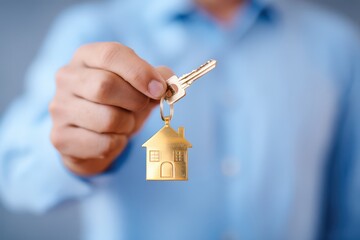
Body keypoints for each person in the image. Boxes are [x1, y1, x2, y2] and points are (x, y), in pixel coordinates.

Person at [0, 0, 359, 239]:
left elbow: (349, 212)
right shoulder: (91, 28)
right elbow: (13, 172)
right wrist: (71, 153)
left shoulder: (336, 46)